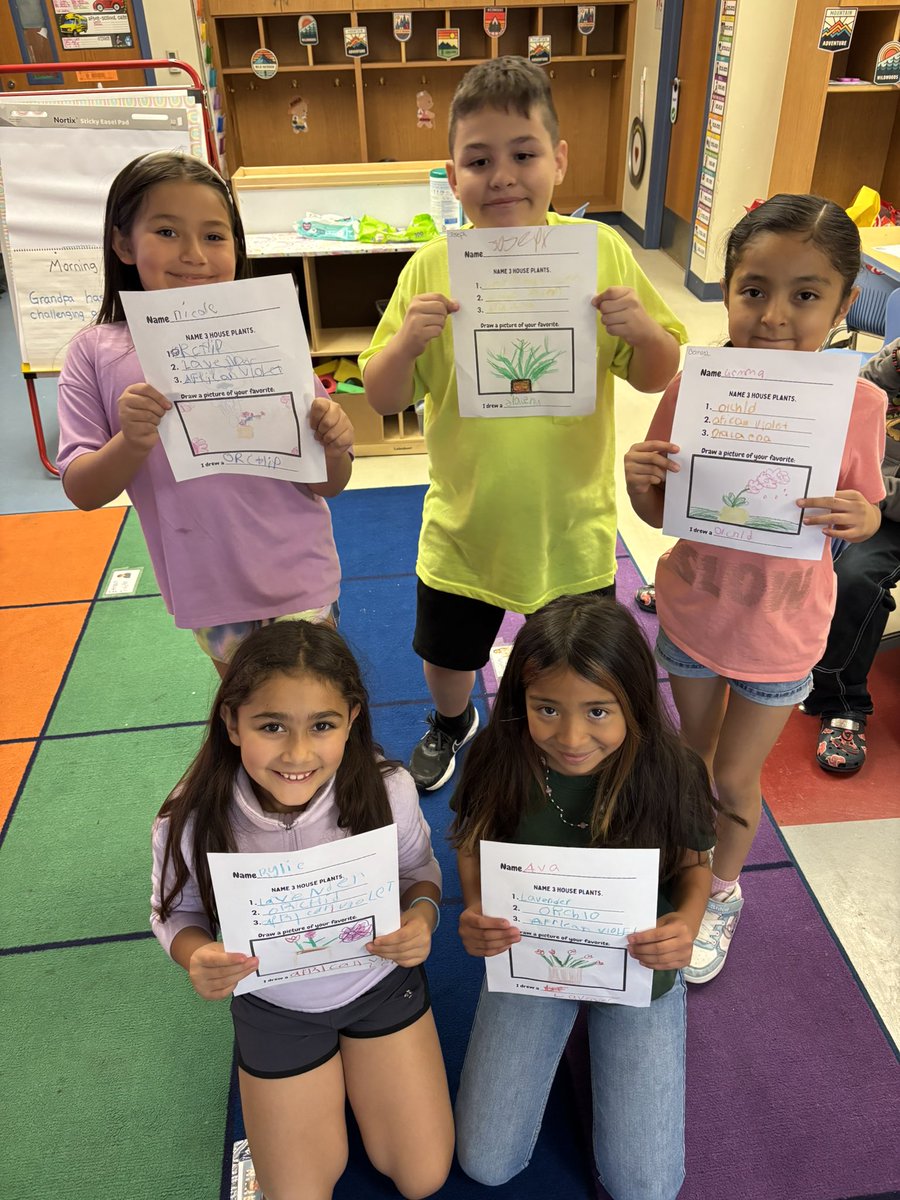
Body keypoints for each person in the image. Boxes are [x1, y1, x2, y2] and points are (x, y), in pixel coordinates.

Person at [359, 56, 686, 792]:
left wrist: (644, 330)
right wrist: (408, 342)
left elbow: (654, 373)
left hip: (570, 525)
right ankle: (451, 724)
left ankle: (564, 743)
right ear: (452, 175)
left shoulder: (599, 252)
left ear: (559, 160)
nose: (502, 175)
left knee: (573, 663)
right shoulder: (429, 267)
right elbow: (381, 397)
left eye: (523, 154)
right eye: (479, 160)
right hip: (466, 524)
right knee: (447, 655)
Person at [624, 195, 886, 983]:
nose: (774, 316)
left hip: (782, 630)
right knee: (686, 761)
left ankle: (723, 894)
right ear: (727, 288)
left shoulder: (862, 403)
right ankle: (682, 873)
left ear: (844, 303)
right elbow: (662, 514)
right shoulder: (697, 387)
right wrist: (639, 480)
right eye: (754, 289)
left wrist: (861, 516)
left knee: (737, 781)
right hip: (698, 610)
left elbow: (866, 511)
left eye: (806, 295)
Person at [151, 621, 454, 1200]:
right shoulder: (187, 818)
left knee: (422, 1176)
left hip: (380, 985)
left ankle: (338, 1091)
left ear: (352, 720)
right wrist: (197, 956)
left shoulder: (387, 789)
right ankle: (289, 1121)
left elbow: (419, 872)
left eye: (322, 726)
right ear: (232, 723)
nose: (297, 753)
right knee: (299, 1193)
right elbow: (175, 913)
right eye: (271, 726)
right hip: (274, 1005)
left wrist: (422, 918)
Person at [450, 594, 726, 1200]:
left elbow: (694, 866)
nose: (572, 736)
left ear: (634, 701)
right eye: (546, 708)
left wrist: (686, 923)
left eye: (599, 710)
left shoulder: (670, 767)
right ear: (521, 700)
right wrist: (473, 908)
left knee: (646, 1188)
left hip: (636, 966)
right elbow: (471, 841)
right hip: (531, 963)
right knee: (485, 1161)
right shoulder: (499, 756)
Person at [57, 151, 354, 677]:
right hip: (205, 579)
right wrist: (130, 441)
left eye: (215, 236)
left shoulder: (268, 333)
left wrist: (333, 441)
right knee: (247, 710)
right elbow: (82, 490)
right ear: (124, 243)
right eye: (167, 232)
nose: (195, 255)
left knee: (315, 697)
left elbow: (329, 483)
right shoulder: (95, 352)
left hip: (297, 565)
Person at [800, 340, 900, 771]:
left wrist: (873, 496)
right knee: (849, 569)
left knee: (857, 570)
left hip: (885, 501)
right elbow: (859, 393)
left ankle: (840, 698)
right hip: (877, 497)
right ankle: (837, 697)